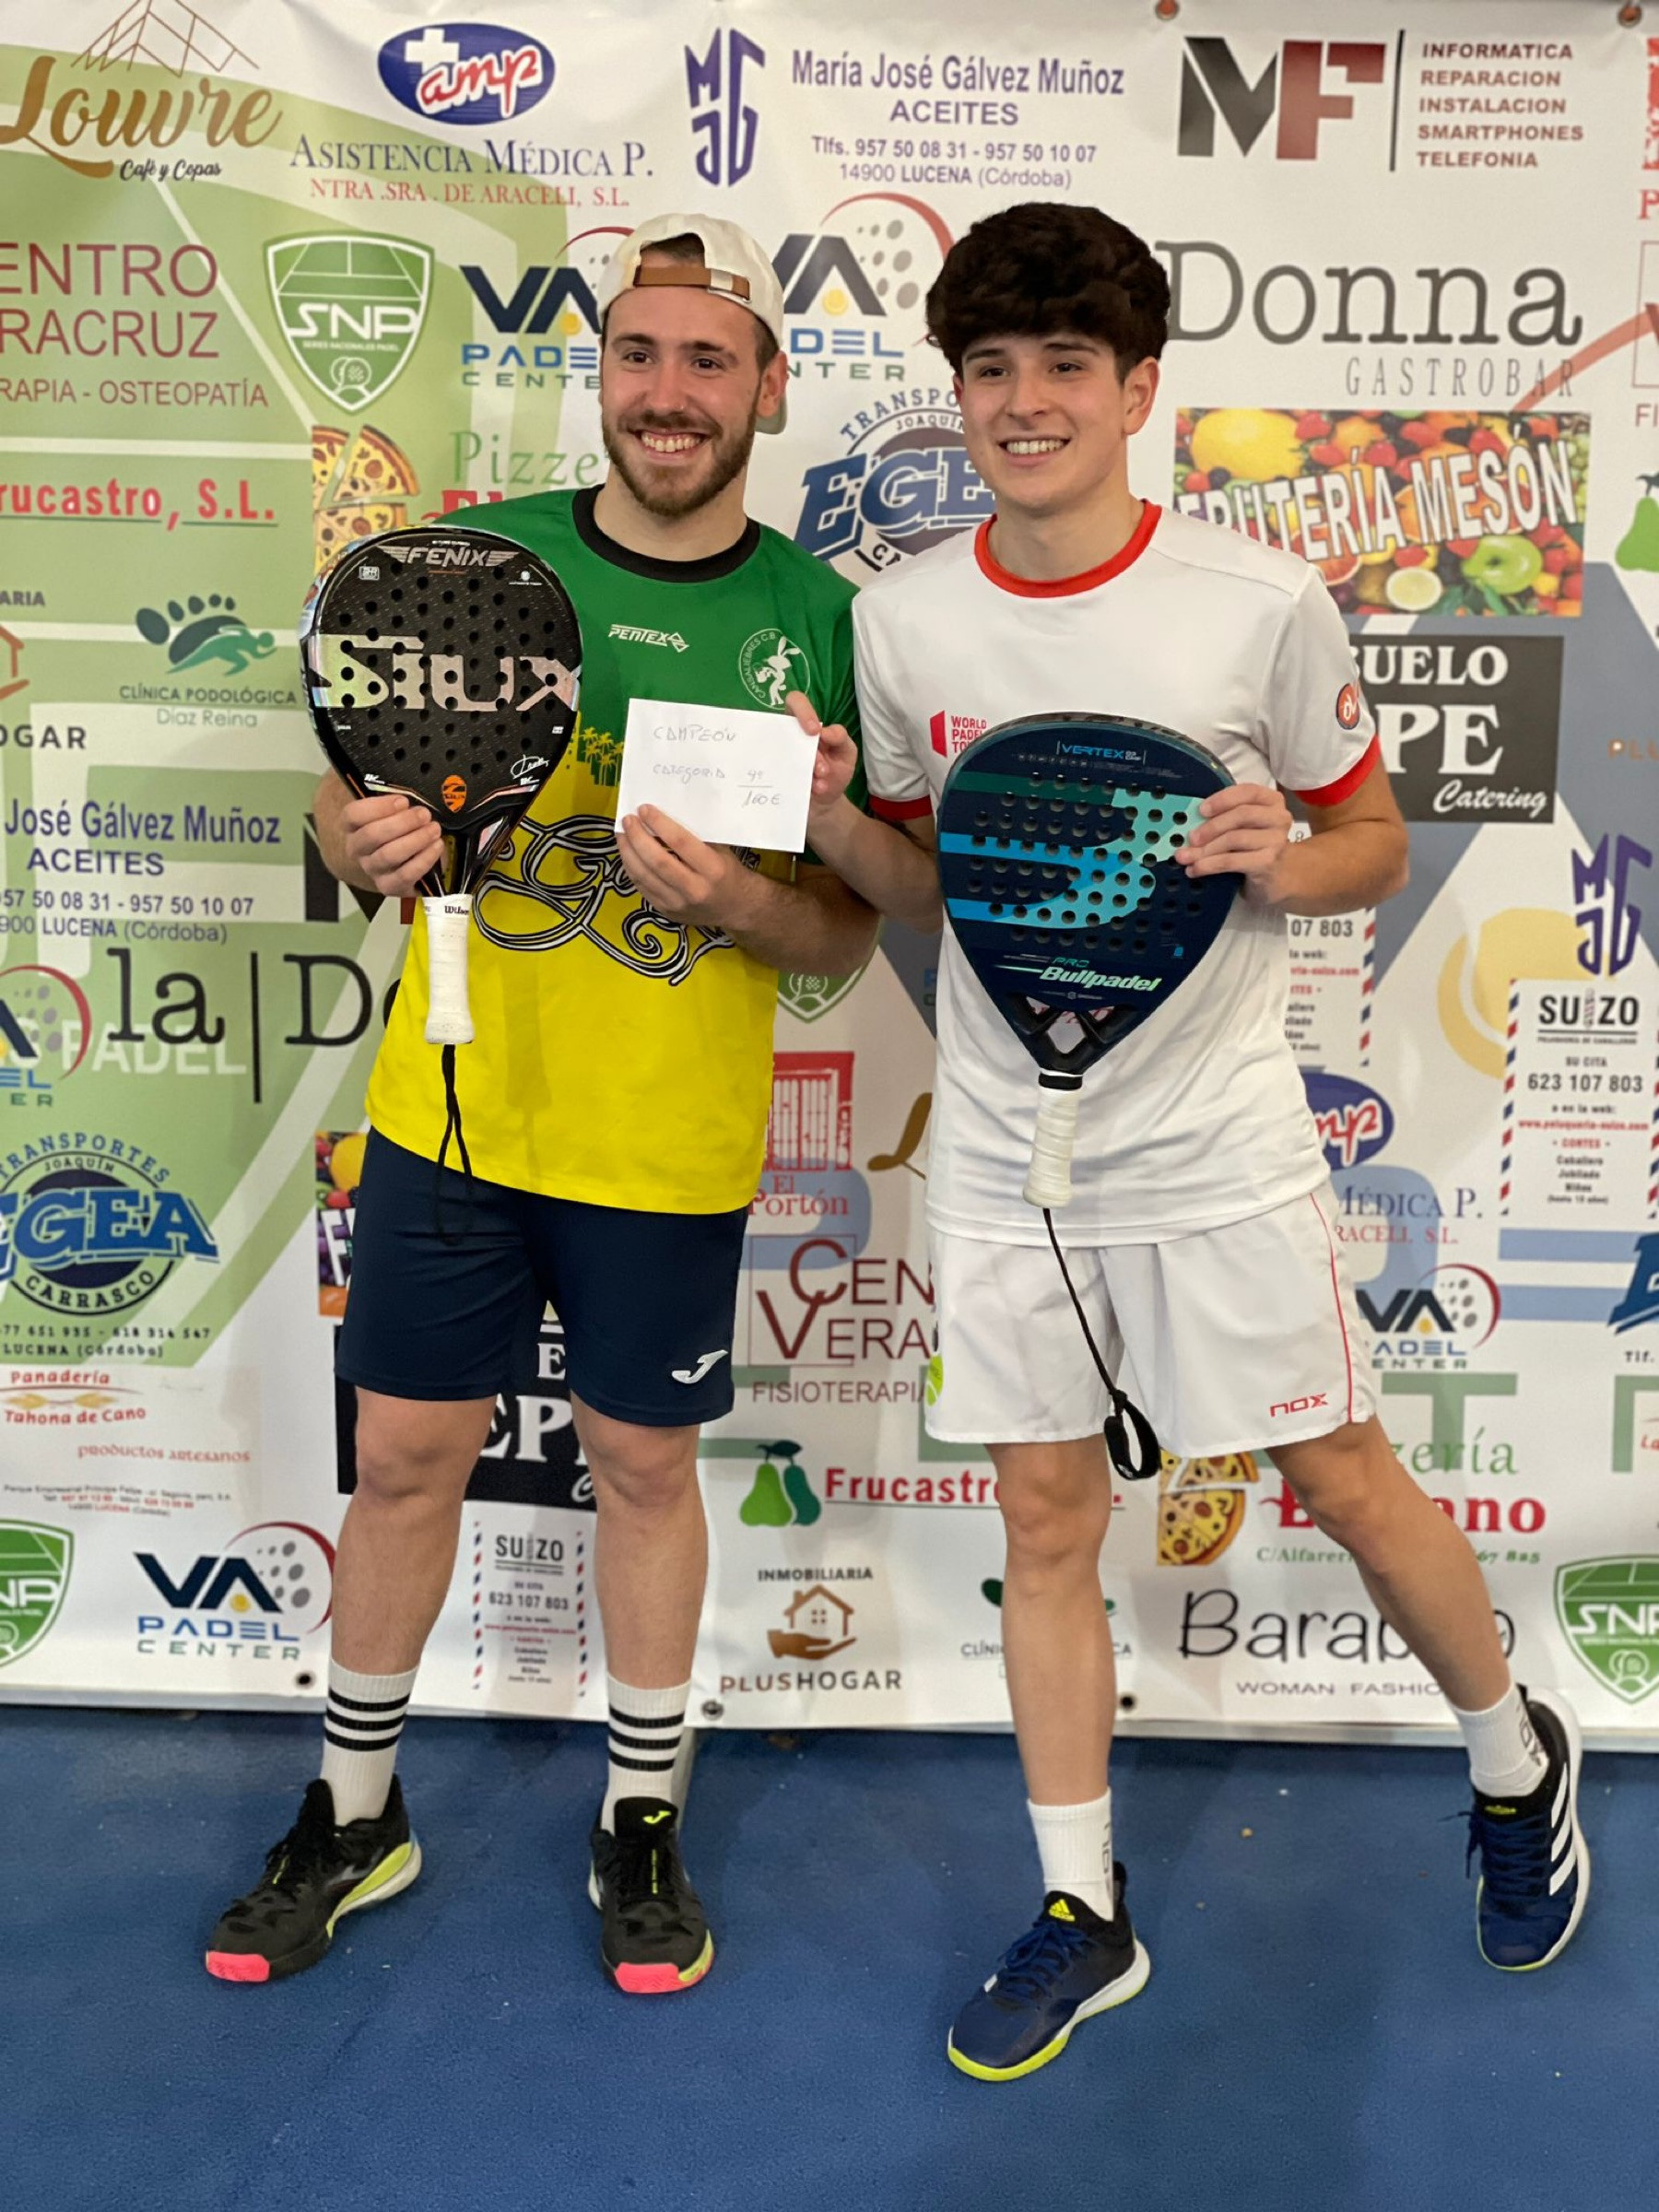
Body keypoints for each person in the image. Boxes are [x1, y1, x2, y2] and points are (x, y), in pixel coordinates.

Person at [798, 200, 1586, 2081]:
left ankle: (1513, 1760)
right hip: (1006, 1151)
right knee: (1043, 1519)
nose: (1025, 403)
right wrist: (832, 820)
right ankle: (1085, 1910)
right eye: (991, 369)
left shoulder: (1258, 601)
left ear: (1141, 389)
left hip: (1217, 1147)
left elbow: (1371, 844)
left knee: (1345, 1476)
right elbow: (926, 882)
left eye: (1067, 366)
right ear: (959, 391)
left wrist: (1280, 861)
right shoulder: (899, 621)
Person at [206, 215, 876, 1993]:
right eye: (638, 354)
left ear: (768, 388)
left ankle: (639, 1816)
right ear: (601, 374)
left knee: (644, 1467)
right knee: (403, 1459)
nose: (669, 393)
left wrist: (743, 907)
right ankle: (355, 1811)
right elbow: (354, 808)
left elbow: (850, 928)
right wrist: (356, 842)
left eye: (708, 361)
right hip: (453, 1116)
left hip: (664, 1137)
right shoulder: (476, 561)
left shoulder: (823, 622)